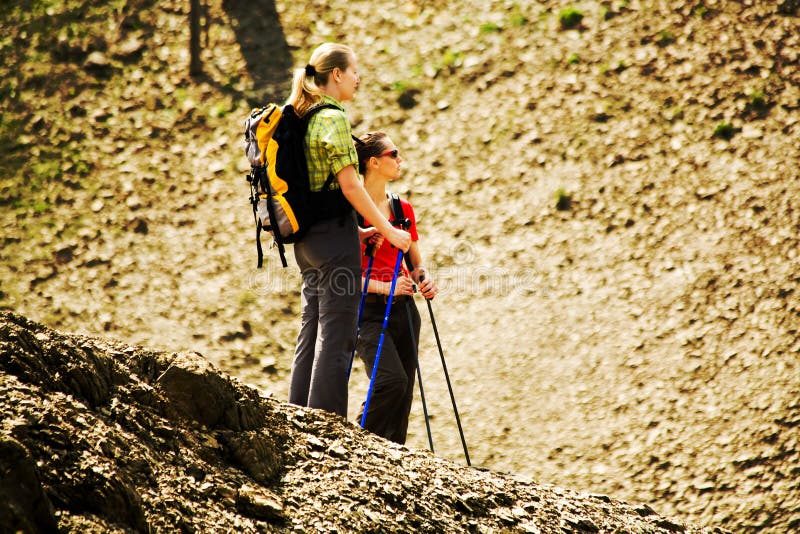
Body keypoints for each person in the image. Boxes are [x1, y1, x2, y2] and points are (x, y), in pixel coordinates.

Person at [286, 44, 411, 418]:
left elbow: (315, 189)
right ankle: (325, 421)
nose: (359, 78)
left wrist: (358, 234)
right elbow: (349, 186)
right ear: (336, 74)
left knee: (310, 329)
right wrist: (388, 230)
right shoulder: (333, 117)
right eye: (354, 70)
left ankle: (297, 416)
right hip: (334, 241)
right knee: (336, 332)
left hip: (307, 240)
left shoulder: (303, 114)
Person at [354, 131, 438, 444]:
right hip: (367, 313)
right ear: (373, 163)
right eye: (394, 154)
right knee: (390, 380)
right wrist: (385, 288)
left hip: (404, 310)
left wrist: (424, 280)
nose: (400, 160)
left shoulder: (402, 210)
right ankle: (360, 446)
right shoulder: (349, 210)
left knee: (403, 392)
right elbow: (343, 276)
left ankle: (393, 458)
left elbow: (415, 262)